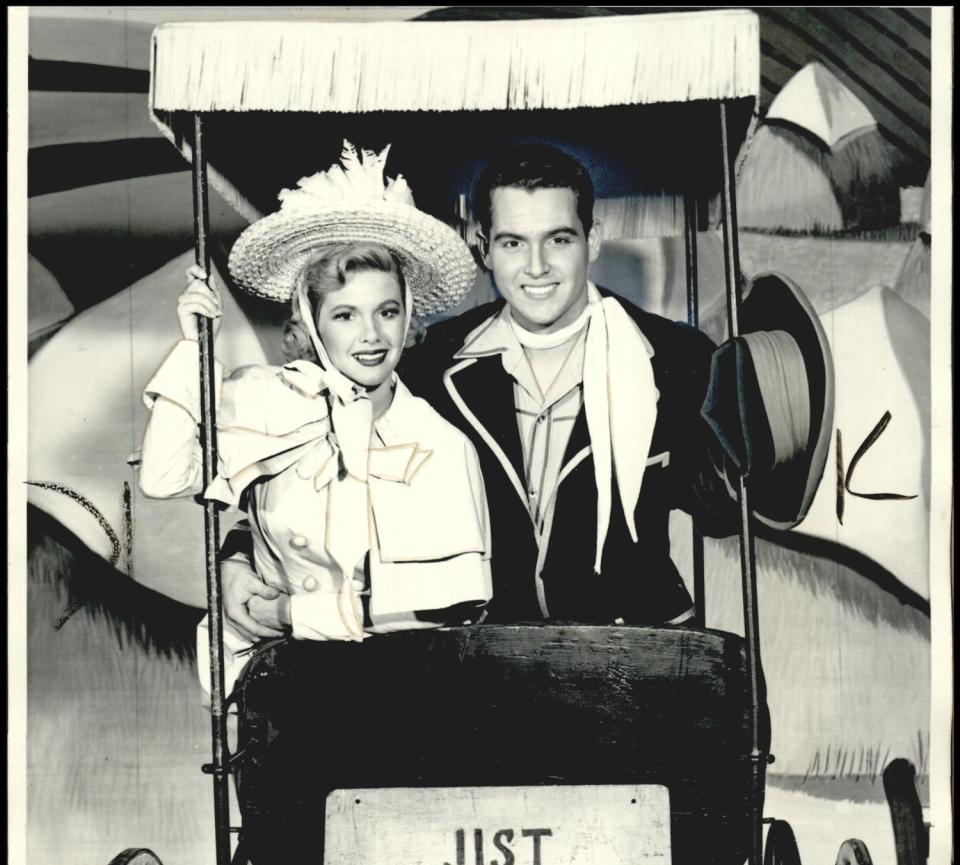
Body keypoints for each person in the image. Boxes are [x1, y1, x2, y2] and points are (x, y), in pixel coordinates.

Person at [219, 141, 829, 635]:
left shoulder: (675, 359)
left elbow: (721, 510)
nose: (536, 268)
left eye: (558, 240)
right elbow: (325, 473)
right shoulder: (427, 367)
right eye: (513, 242)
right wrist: (239, 555)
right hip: (479, 667)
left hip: (638, 654)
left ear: (592, 238)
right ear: (483, 247)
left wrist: (768, 420)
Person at [139, 142, 491, 697]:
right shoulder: (265, 402)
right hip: (270, 692)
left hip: (400, 696)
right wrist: (193, 351)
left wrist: (285, 613)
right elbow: (161, 478)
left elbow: (442, 607)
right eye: (345, 315)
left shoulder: (440, 444)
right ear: (312, 322)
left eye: (387, 312)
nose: (371, 336)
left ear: (408, 319)